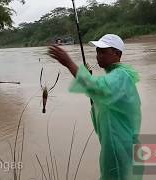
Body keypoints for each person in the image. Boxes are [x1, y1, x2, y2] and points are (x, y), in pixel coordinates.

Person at [48, 34, 142, 180]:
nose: (98, 56)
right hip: (119, 143)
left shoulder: (120, 76)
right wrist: (88, 77)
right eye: (97, 51)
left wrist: (68, 63)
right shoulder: (116, 76)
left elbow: (96, 87)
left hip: (120, 146)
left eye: (103, 52)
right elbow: (102, 94)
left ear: (117, 54)